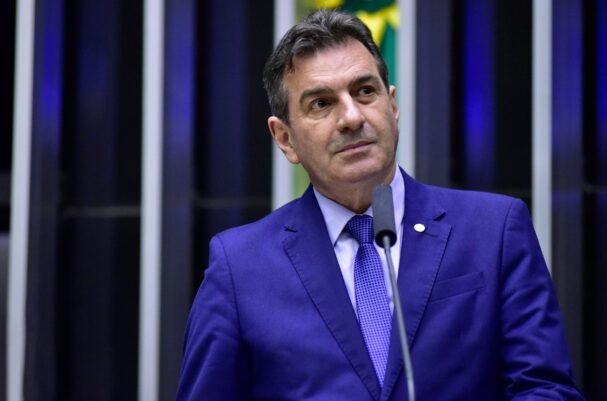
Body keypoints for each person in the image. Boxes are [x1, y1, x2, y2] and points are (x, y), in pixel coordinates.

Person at [176, 9, 584, 401]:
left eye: (365, 92)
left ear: (392, 106)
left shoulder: (494, 230)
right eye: (321, 104)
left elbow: (544, 389)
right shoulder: (239, 267)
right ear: (285, 138)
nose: (352, 117)